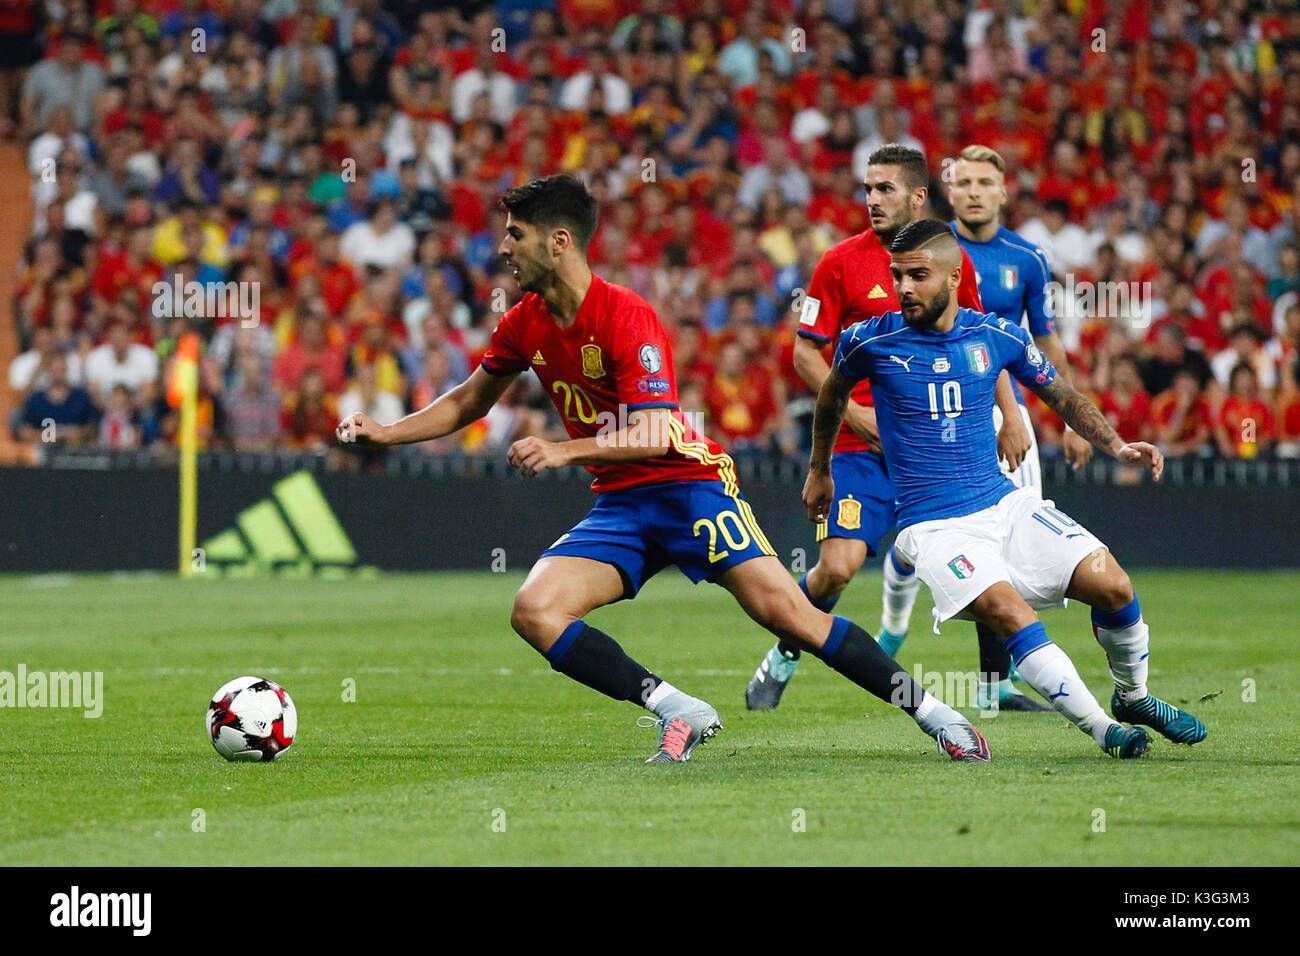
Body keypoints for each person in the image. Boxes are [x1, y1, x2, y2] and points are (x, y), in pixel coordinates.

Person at [337, 174, 990, 763]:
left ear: (558, 240)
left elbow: (654, 430)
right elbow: (468, 401)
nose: (503, 248)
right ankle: (677, 708)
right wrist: (387, 432)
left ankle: (939, 717)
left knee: (792, 617)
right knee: (535, 610)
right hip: (622, 505)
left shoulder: (626, 314)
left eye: (516, 234)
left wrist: (565, 449)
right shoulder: (523, 322)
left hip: (688, 488)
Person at [804, 218, 1206, 757]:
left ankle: (1133, 698)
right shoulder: (868, 340)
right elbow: (830, 398)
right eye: (898, 275)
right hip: (935, 526)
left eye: (917, 276)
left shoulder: (995, 335)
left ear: (952, 278)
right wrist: (820, 469)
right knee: (1010, 613)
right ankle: (1104, 731)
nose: (903, 288)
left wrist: (1117, 445)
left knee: (1113, 585)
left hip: (1005, 503)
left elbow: (1061, 395)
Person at [744, 143, 1031, 710]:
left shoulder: (951, 259)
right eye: (867, 188)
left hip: (941, 447)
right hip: (861, 447)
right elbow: (807, 354)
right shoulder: (838, 263)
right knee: (837, 568)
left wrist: (1011, 413)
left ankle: (996, 689)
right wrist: (854, 413)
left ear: (917, 196)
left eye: (884, 189)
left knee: (989, 559)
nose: (871, 199)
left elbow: (984, 339)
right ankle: (783, 654)